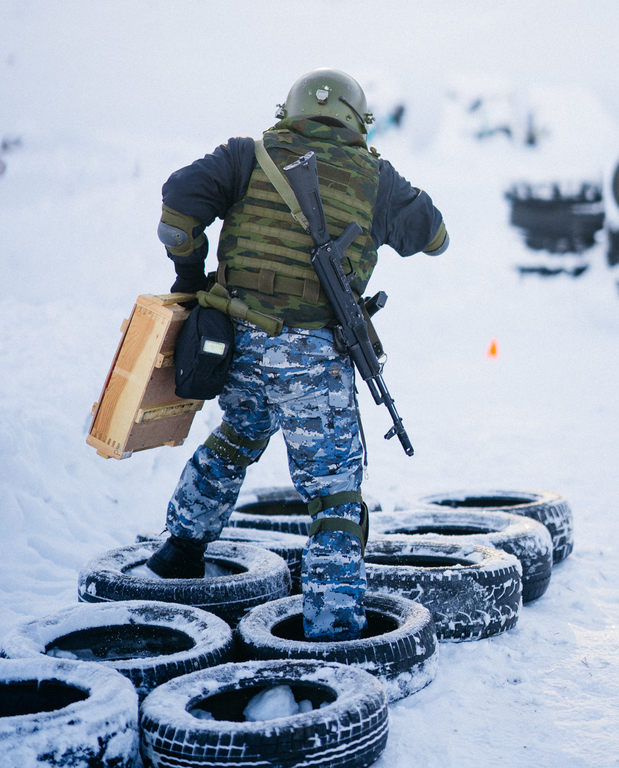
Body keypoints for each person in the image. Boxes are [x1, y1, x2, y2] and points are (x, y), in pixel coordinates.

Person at [147, 68, 448, 640]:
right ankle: (333, 629)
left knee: (236, 437)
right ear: (357, 123)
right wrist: (378, 187)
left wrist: (190, 279)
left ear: (288, 113)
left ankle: (179, 550)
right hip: (311, 356)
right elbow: (434, 236)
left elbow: (178, 200)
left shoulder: (245, 157)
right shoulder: (375, 179)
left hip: (233, 345)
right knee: (334, 489)